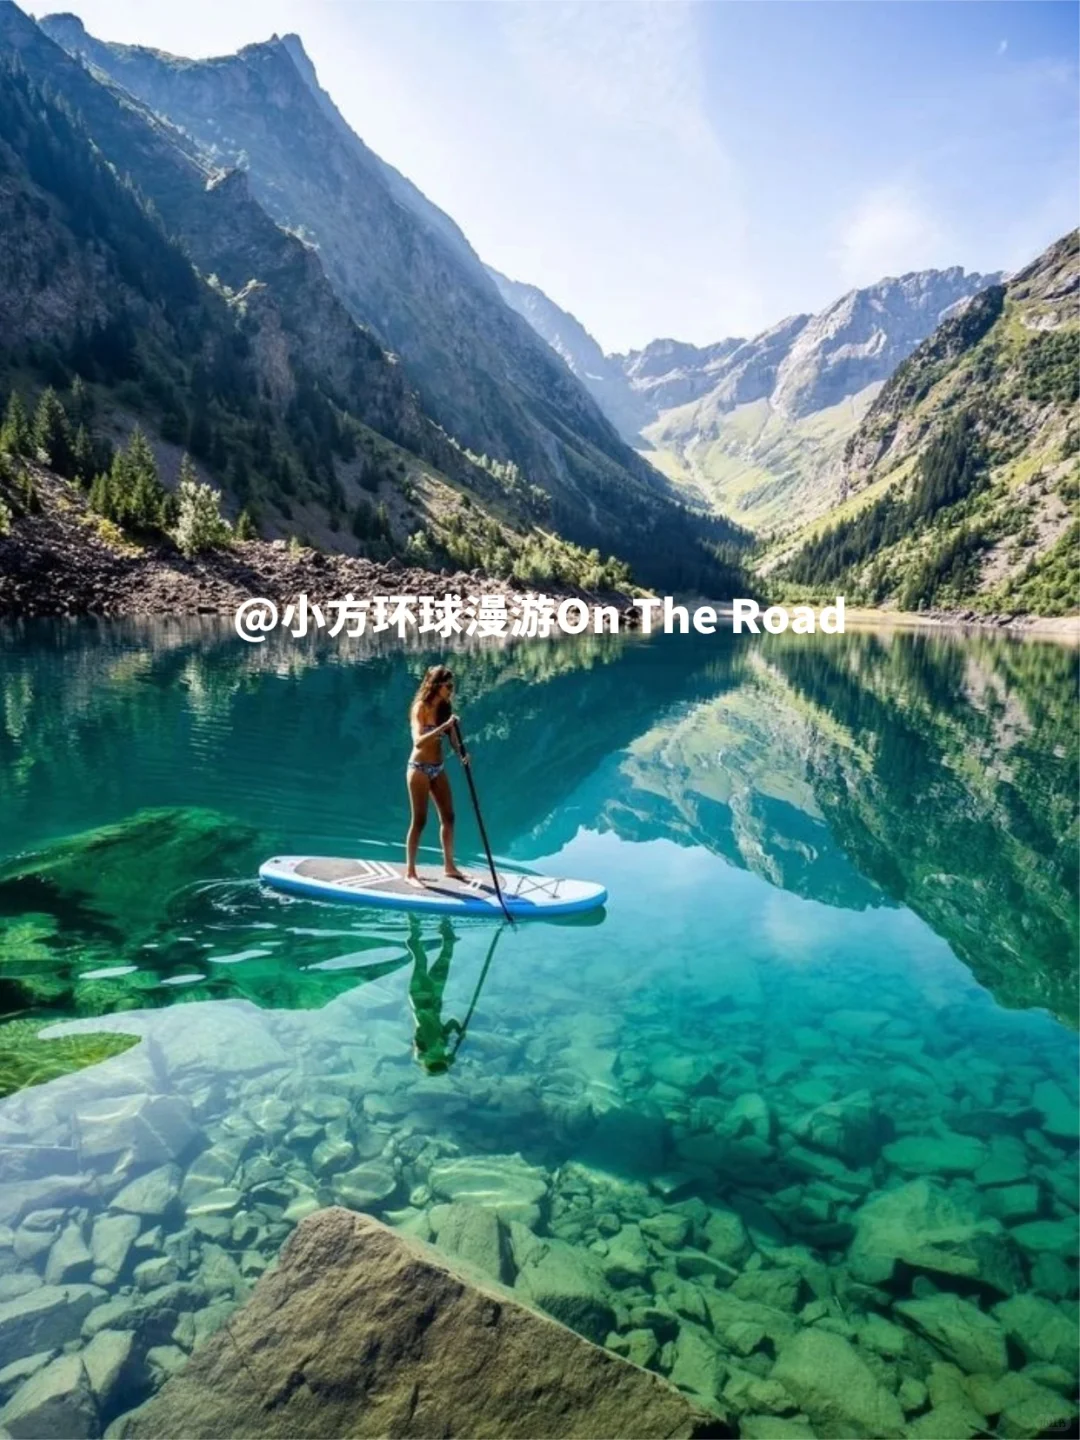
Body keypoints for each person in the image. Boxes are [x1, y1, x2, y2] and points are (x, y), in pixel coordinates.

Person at [405, 664, 468, 885]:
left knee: (449, 817)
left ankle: (449, 866)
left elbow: (452, 737)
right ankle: (411, 873)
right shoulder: (420, 708)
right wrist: (443, 727)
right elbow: (418, 742)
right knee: (420, 821)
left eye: (452, 686)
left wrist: (461, 752)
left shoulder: (445, 707)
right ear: (436, 685)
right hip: (419, 769)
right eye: (448, 686)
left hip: (438, 768)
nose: (451, 690)